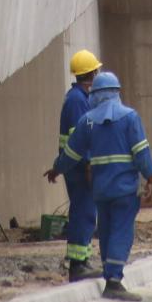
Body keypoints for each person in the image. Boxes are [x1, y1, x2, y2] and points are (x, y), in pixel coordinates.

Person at [52, 71, 152, 301]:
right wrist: (150, 176)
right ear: (116, 92)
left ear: (95, 93)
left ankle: (110, 274)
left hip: (100, 189)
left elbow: (70, 153)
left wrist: (56, 169)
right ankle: (114, 280)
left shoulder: (87, 121)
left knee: (107, 231)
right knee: (122, 231)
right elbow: (141, 152)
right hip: (125, 188)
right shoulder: (130, 117)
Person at [43, 50, 103, 281]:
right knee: (83, 212)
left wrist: (59, 166)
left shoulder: (77, 98)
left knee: (86, 213)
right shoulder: (78, 101)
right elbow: (80, 138)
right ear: (91, 74)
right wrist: (88, 164)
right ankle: (78, 265)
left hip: (75, 166)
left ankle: (83, 260)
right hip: (80, 168)